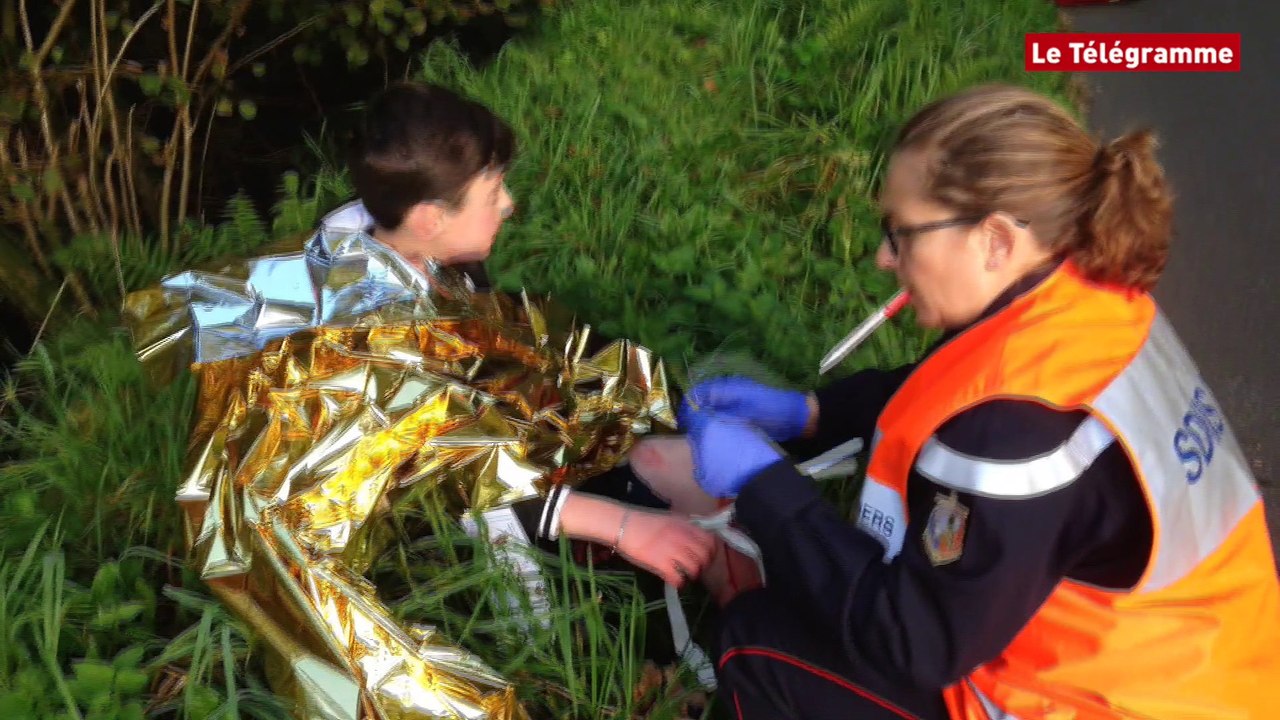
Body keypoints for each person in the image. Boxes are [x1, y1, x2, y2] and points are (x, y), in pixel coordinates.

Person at [672, 83, 1280, 719]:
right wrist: (812, 415)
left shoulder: (1017, 439)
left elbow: (910, 638)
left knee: (754, 645)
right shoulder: (1083, 302)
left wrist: (766, 487)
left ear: (995, 240)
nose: (883, 258)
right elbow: (946, 388)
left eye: (901, 234)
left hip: (1105, 704)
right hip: (1213, 673)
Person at [336, 80, 716, 590]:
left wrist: (668, 401)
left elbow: (508, 356)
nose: (509, 205)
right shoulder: (366, 335)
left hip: (511, 442)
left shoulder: (422, 245)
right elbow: (446, 479)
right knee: (673, 489)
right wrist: (623, 526)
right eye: (494, 193)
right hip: (435, 520)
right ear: (430, 219)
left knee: (678, 453)